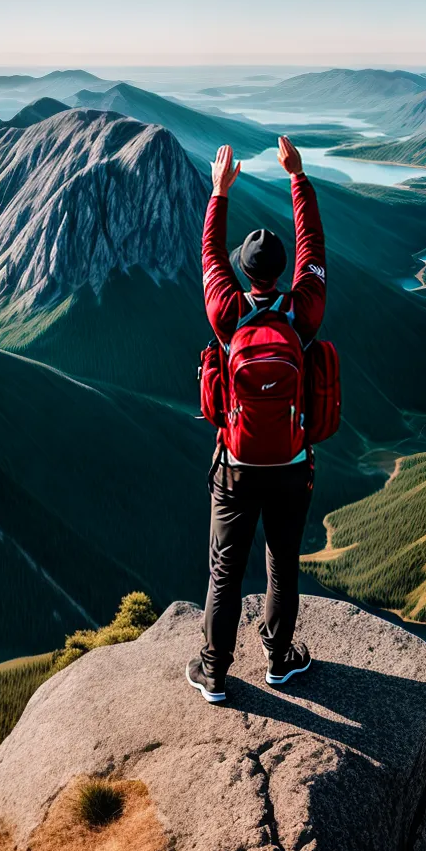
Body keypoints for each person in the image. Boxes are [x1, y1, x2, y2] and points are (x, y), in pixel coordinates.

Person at [186, 137, 326, 704]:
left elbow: (209, 255)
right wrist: (298, 179)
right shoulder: (304, 310)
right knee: (282, 565)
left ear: (244, 271)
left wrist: (219, 192)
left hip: (236, 465)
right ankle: (278, 660)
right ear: (284, 271)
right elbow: (314, 246)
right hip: (292, 465)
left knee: (225, 570)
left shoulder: (226, 311)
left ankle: (214, 672)